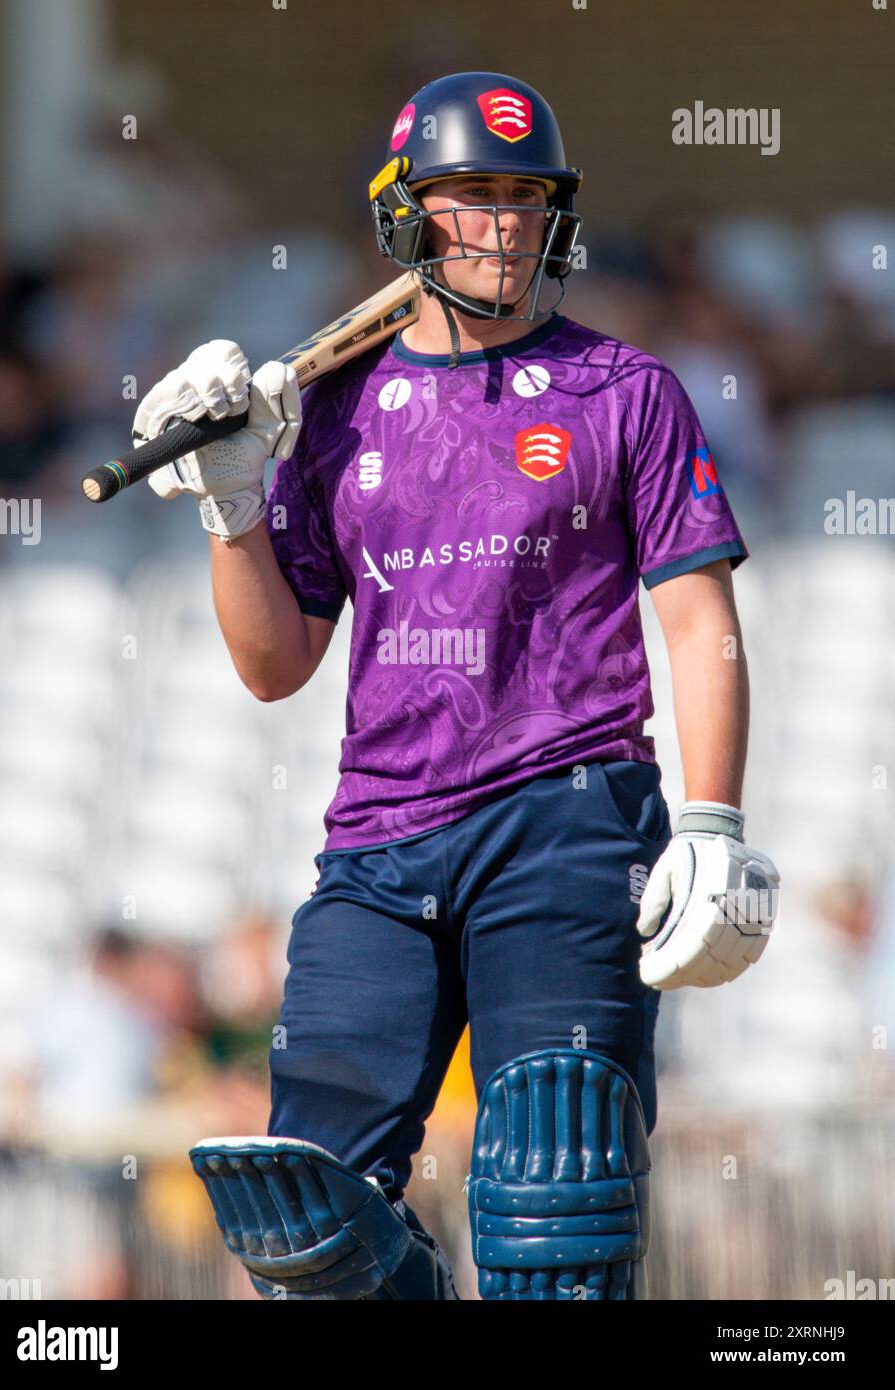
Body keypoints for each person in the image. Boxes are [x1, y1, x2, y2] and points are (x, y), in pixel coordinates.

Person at [134, 71, 779, 1301]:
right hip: (378, 843)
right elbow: (275, 666)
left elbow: (700, 620)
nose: (499, 226)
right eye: (468, 198)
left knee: (558, 1194)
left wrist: (711, 820)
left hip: (571, 821)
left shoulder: (624, 391)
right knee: (304, 1219)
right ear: (409, 217)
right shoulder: (329, 411)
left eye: (522, 199)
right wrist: (230, 507)